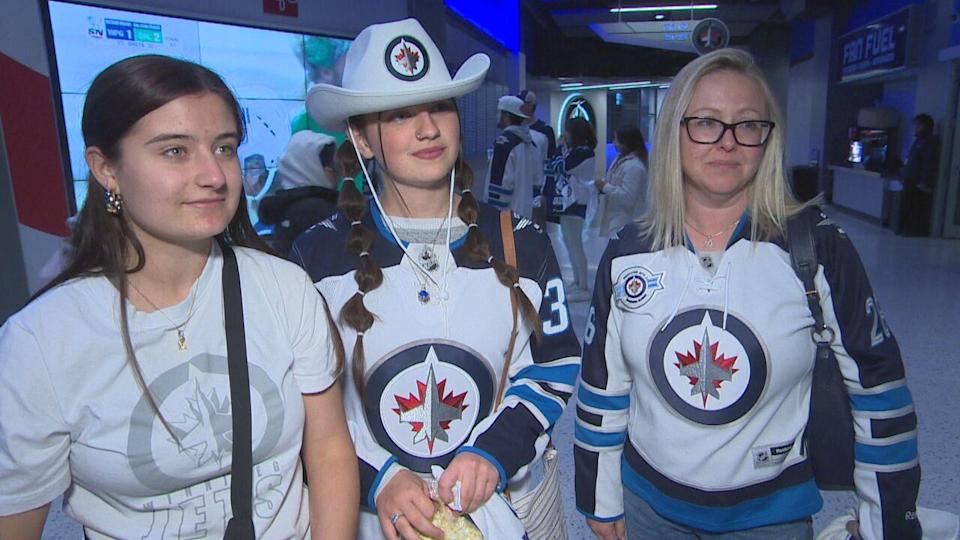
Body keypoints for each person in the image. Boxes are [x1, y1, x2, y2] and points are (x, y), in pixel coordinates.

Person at [0, 55, 358, 539]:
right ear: (105, 168)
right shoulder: (40, 341)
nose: (214, 175)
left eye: (225, 147)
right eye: (175, 151)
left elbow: (330, 450)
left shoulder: (283, 287)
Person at [575, 49, 922, 540]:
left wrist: (886, 523)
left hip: (771, 520)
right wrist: (599, 495)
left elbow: (880, 390)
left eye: (748, 125)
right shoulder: (627, 252)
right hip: (646, 510)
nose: (727, 142)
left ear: (768, 139)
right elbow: (602, 384)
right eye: (706, 122)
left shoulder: (817, 246)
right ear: (674, 130)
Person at [291, 18, 581, 540]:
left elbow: (553, 368)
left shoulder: (524, 242)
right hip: (371, 518)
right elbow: (304, 402)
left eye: (440, 107)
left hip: (512, 510)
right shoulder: (315, 254)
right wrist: (377, 478)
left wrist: (495, 451)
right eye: (400, 115)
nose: (428, 129)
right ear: (361, 137)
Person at [259, 130, 341, 255]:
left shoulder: (283, 207)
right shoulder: (317, 211)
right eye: (333, 166)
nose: (339, 173)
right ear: (310, 167)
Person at [555, 116, 597, 303]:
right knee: (569, 242)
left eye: (568, 132)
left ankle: (583, 285)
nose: (565, 135)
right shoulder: (576, 151)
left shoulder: (584, 152)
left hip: (576, 202)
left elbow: (563, 166)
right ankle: (577, 280)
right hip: (568, 201)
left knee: (575, 243)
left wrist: (559, 148)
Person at [485, 95, 543, 219]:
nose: (497, 116)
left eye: (499, 112)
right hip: (525, 215)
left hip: (506, 218)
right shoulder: (530, 143)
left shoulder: (504, 143)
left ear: (506, 116)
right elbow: (538, 181)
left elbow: (501, 185)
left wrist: (493, 215)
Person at [595, 126, 649, 236]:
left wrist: (605, 186)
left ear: (626, 142)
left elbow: (628, 197)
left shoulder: (635, 167)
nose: (614, 143)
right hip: (613, 221)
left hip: (625, 223)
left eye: (616, 140)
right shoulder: (620, 159)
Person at [899, 113, 939, 236]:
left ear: (925, 126)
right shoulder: (919, 141)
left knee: (915, 206)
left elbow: (929, 163)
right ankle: (905, 228)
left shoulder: (930, 142)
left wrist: (924, 181)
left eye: (918, 125)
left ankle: (913, 230)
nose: (915, 128)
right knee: (908, 204)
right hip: (910, 178)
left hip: (917, 181)